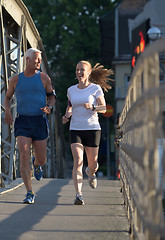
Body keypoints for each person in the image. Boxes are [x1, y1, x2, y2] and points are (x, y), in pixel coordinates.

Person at [4, 48, 56, 204]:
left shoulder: (44, 78)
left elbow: (52, 97)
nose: (39, 62)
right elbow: (7, 98)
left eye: (40, 59)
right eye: (36, 59)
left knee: (42, 159)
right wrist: (7, 110)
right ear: (27, 60)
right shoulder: (15, 80)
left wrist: (49, 108)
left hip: (39, 121)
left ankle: (37, 164)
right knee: (23, 153)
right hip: (23, 121)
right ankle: (29, 192)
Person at [62, 60, 113, 205]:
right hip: (75, 129)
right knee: (78, 160)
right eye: (77, 70)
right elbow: (70, 106)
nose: (79, 72)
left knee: (93, 164)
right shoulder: (71, 90)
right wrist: (66, 116)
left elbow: (104, 108)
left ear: (89, 72)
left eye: (82, 70)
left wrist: (92, 107)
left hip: (92, 128)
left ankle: (91, 174)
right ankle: (79, 194)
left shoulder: (95, 89)